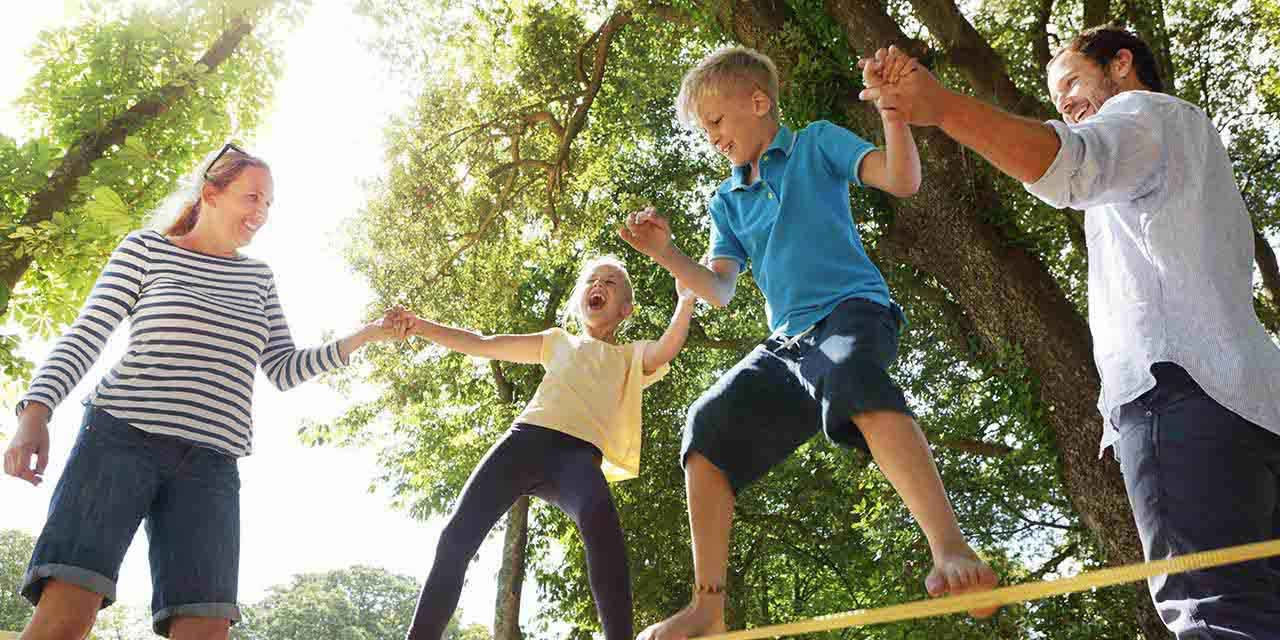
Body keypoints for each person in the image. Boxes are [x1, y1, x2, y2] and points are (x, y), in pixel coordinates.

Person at [858, 25, 1280, 637]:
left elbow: (1069, 163)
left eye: (1074, 84)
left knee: (1214, 614)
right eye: (1057, 100)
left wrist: (941, 106)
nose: (1067, 104)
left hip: (1178, 395)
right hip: (1254, 410)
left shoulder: (1141, 114)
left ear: (1122, 63)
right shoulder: (1191, 144)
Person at [618, 46, 998, 640]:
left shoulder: (816, 143)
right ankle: (708, 606)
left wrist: (893, 112)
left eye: (716, 122)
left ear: (758, 101)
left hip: (850, 312)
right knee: (706, 425)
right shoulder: (727, 199)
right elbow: (718, 289)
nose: (711, 137)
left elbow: (901, 179)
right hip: (787, 344)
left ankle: (949, 547)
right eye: (703, 131)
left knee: (850, 377)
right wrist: (666, 254)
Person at [3, 143, 404, 640]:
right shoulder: (146, 250)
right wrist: (35, 412)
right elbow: (87, 335)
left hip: (211, 466)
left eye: (268, 203)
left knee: (206, 629)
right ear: (210, 194)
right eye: (251, 197)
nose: (261, 213)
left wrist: (364, 336)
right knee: (68, 614)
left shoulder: (257, 278)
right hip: (118, 441)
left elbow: (283, 367)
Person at [397, 255, 696, 640]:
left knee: (602, 526)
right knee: (456, 536)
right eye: (592, 281)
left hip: (578, 458)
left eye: (609, 283)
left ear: (625, 309)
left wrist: (686, 301)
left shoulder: (630, 357)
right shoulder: (557, 342)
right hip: (525, 441)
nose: (598, 286)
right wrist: (420, 326)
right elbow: (482, 344)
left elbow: (668, 346)